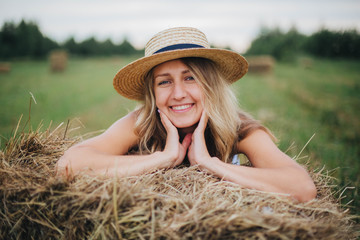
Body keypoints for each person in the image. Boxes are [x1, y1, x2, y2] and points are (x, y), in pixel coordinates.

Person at [56, 27, 316, 202]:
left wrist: (210, 164)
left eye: (190, 78)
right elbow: (69, 166)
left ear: (210, 85)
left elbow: (302, 187)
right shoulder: (141, 123)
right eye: (164, 82)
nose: (178, 93)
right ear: (152, 93)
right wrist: (163, 158)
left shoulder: (238, 127)